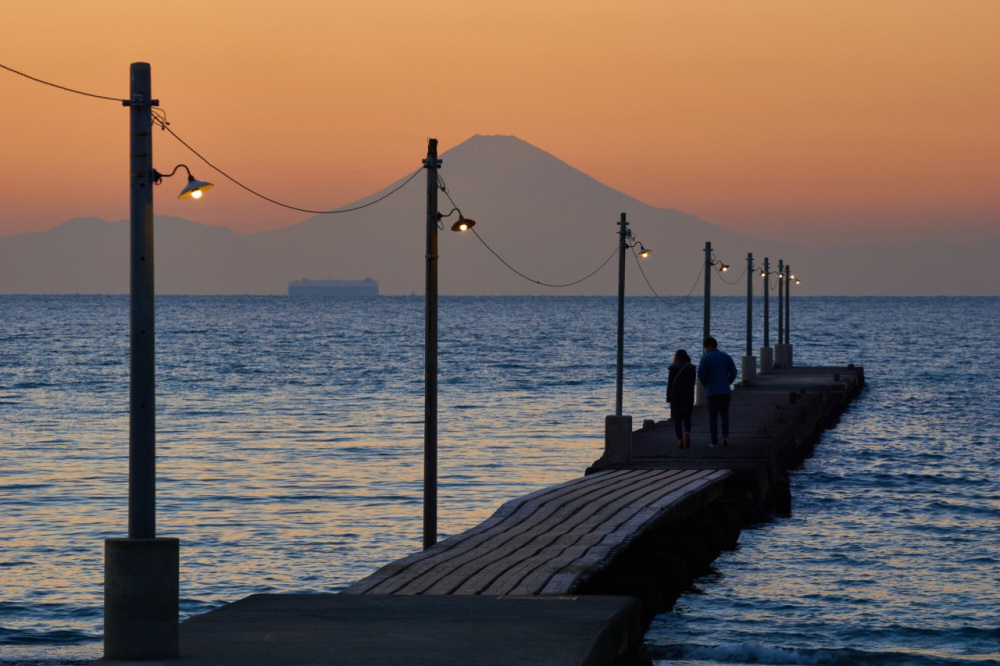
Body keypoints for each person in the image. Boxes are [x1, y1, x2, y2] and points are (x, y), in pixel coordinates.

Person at [697, 336, 738, 448]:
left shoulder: (705, 359)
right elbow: (734, 372)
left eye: (705, 347)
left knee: (713, 416)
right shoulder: (726, 357)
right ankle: (725, 437)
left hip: (712, 391)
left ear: (709, 346)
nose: (704, 349)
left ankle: (714, 441)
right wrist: (727, 382)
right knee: (725, 414)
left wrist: (706, 384)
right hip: (725, 391)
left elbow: (701, 374)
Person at [666, 349, 696, 449]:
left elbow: (670, 384)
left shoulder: (673, 368)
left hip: (676, 396)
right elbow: (692, 383)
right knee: (687, 417)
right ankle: (687, 432)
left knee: (677, 419)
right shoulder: (691, 368)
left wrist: (668, 398)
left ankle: (679, 440)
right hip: (688, 395)